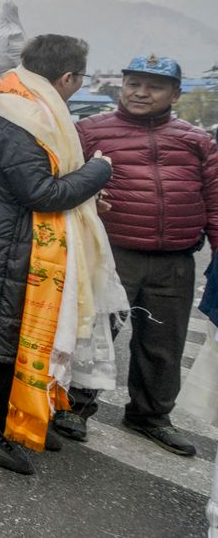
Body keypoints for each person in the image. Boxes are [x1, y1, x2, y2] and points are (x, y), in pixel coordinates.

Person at [0, 34, 117, 475]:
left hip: (4, 240)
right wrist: (98, 172)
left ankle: (8, 421)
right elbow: (42, 192)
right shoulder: (24, 118)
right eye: (80, 78)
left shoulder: (16, 102)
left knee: (3, 340)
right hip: (6, 248)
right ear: (68, 77)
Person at [55, 55, 218, 456]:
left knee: (163, 342)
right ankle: (74, 407)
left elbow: (214, 201)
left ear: (175, 94)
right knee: (95, 333)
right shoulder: (89, 131)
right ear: (122, 86)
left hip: (175, 260)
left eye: (154, 86)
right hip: (112, 254)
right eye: (133, 83)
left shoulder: (196, 142)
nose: (141, 92)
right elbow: (64, 180)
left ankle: (150, 416)